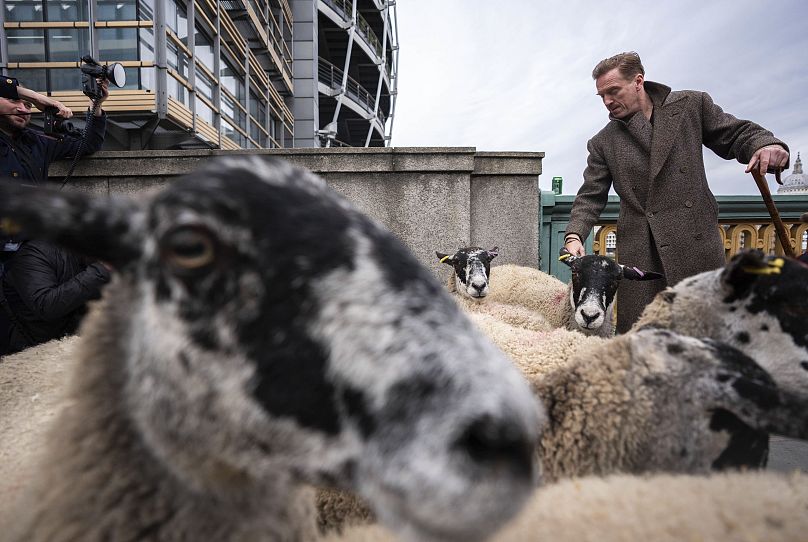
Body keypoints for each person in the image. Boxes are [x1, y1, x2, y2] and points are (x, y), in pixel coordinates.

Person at [564, 52, 789, 334]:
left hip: (694, 245)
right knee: (643, 340)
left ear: (638, 81)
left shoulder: (691, 106)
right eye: (602, 96)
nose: (608, 101)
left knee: (708, 335)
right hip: (642, 254)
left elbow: (734, 134)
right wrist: (574, 234)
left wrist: (764, 145)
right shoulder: (602, 142)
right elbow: (590, 195)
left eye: (613, 91)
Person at [0, 75, 108, 263]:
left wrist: (96, 104)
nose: (22, 108)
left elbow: (88, 144)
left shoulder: (37, 141)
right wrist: (38, 98)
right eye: (13, 100)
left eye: (28, 105)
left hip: (27, 249)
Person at [0, 239, 110, 355]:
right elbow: (46, 307)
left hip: (65, 345)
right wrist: (100, 271)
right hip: (23, 348)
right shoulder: (35, 253)